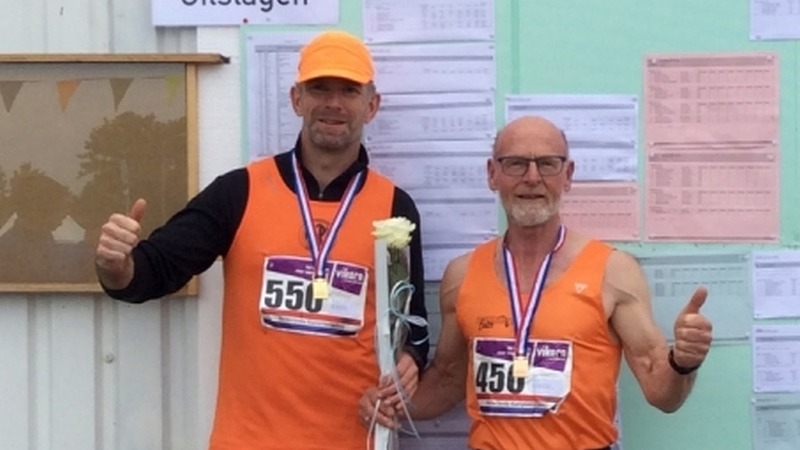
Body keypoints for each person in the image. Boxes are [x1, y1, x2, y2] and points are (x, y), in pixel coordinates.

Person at [95, 30, 429, 450]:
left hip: (354, 440)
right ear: (296, 99)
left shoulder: (395, 207)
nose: (333, 103)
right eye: (319, 88)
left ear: (371, 105)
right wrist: (117, 266)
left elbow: (411, 327)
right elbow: (157, 269)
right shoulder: (240, 192)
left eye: (348, 90)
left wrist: (409, 367)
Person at [359, 116, 713, 450]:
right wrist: (392, 403)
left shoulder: (613, 271)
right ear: (492, 174)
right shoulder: (461, 275)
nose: (532, 178)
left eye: (547, 164)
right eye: (515, 163)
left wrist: (684, 362)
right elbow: (449, 380)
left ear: (568, 174)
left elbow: (661, 392)